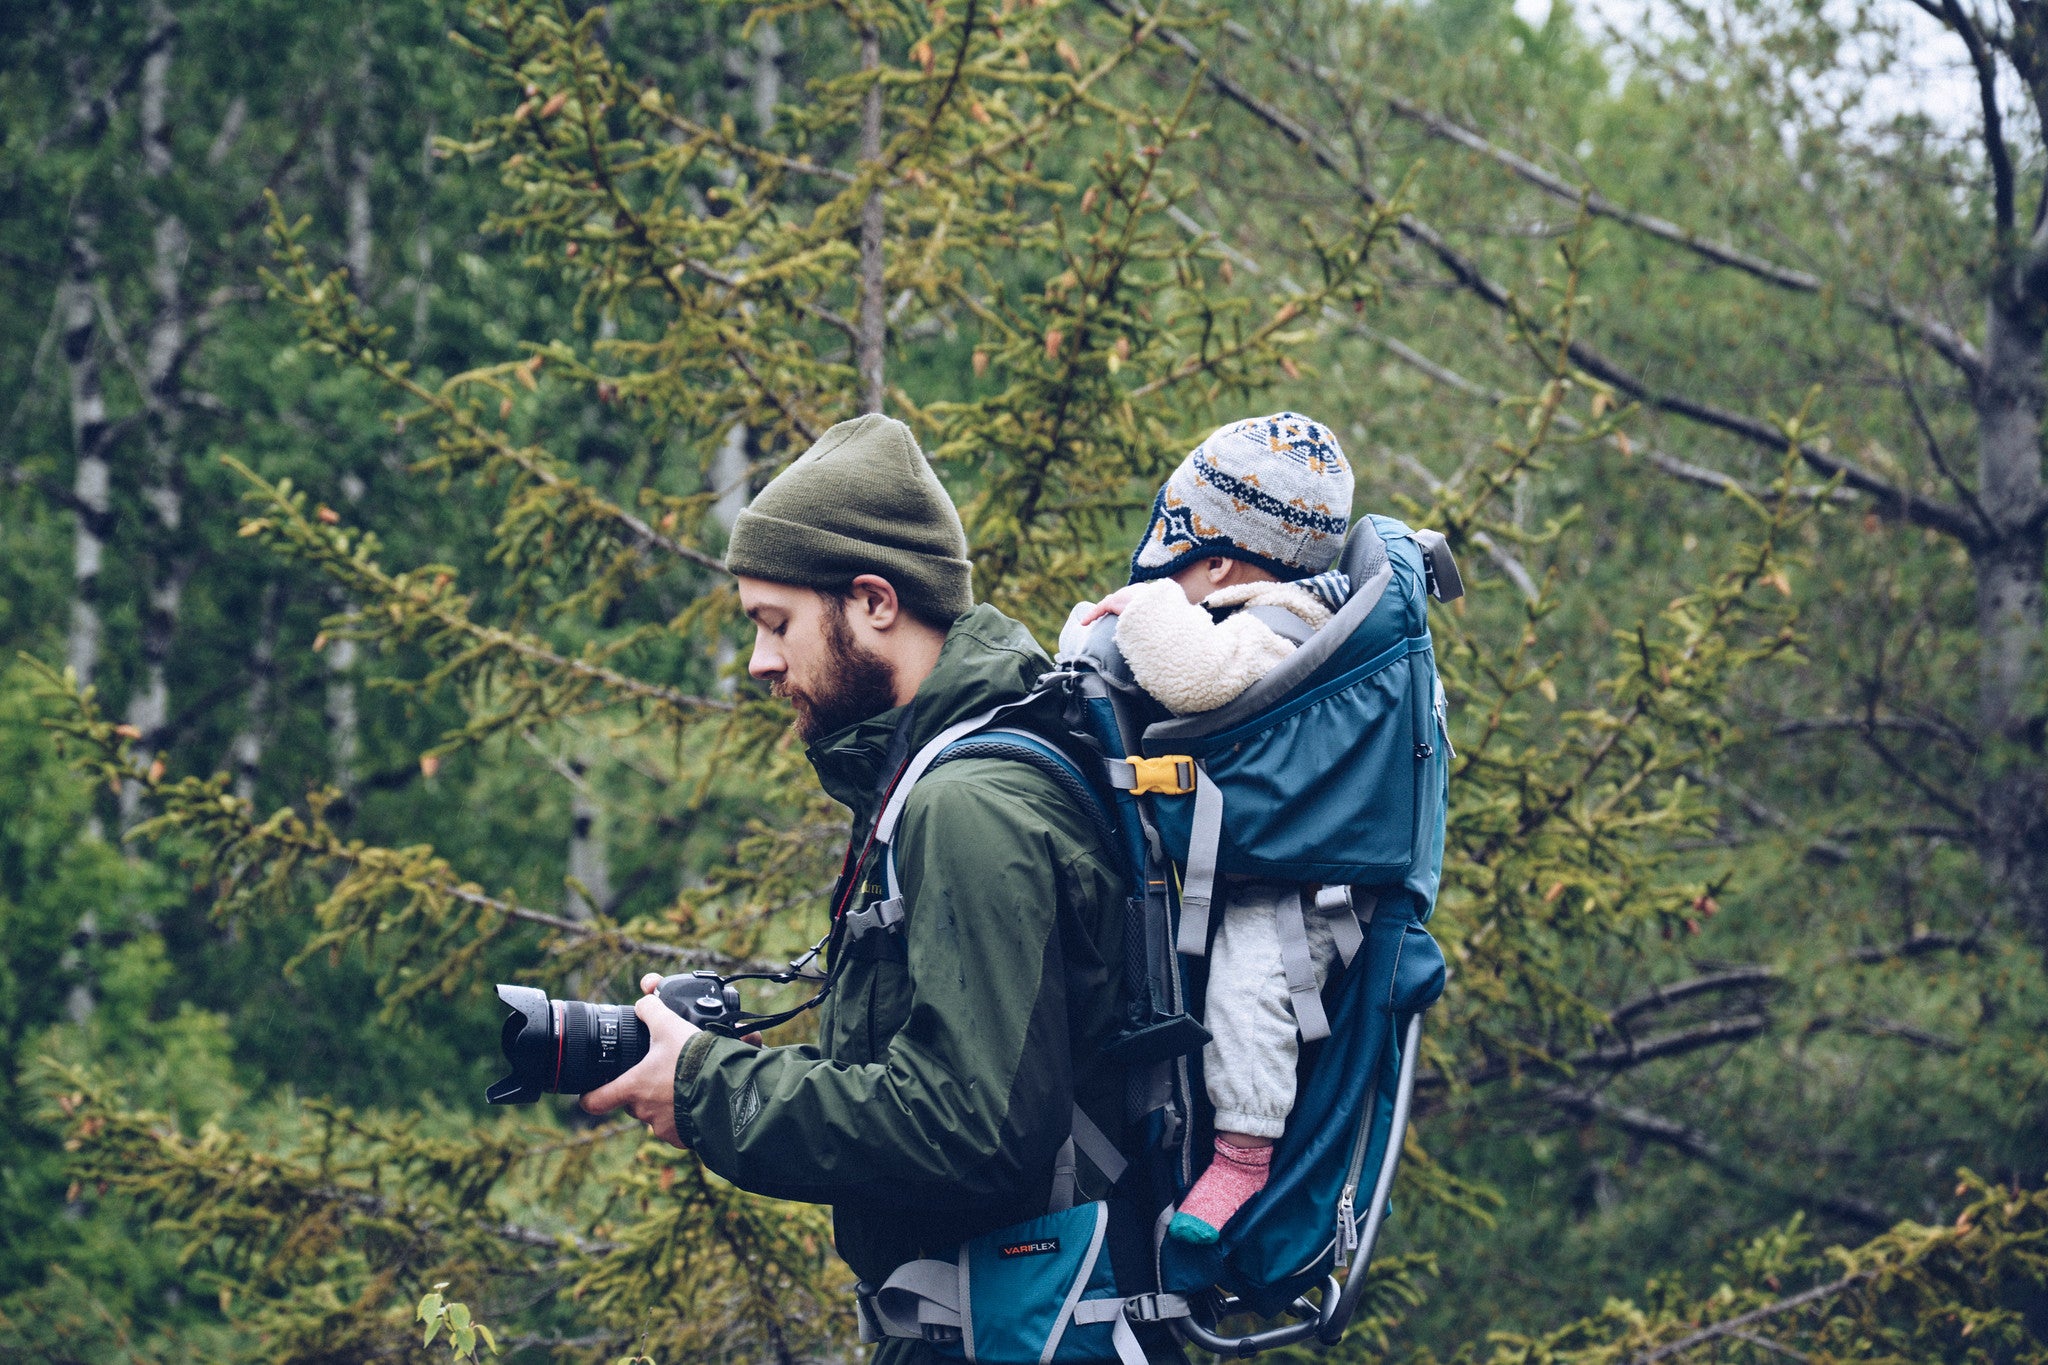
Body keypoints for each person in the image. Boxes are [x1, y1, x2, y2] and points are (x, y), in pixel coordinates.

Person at [581, 413, 1131, 1362]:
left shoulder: (970, 805)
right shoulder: (939, 775)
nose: (760, 662)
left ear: (874, 601)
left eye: (776, 623)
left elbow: (972, 1128)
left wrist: (709, 1087)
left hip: (1012, 1333)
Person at [1058, 412, 1354, 1247]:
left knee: (1250, 989)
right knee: (1235, 980)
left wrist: (1145, 607)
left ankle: (1242, 1158)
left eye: (1177, 567)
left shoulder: (1281, 629)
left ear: (1219, 561)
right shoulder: (1276, 618)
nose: (1169, 586)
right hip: (1278, 860)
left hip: (1305, 891)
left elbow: (1191, 675)